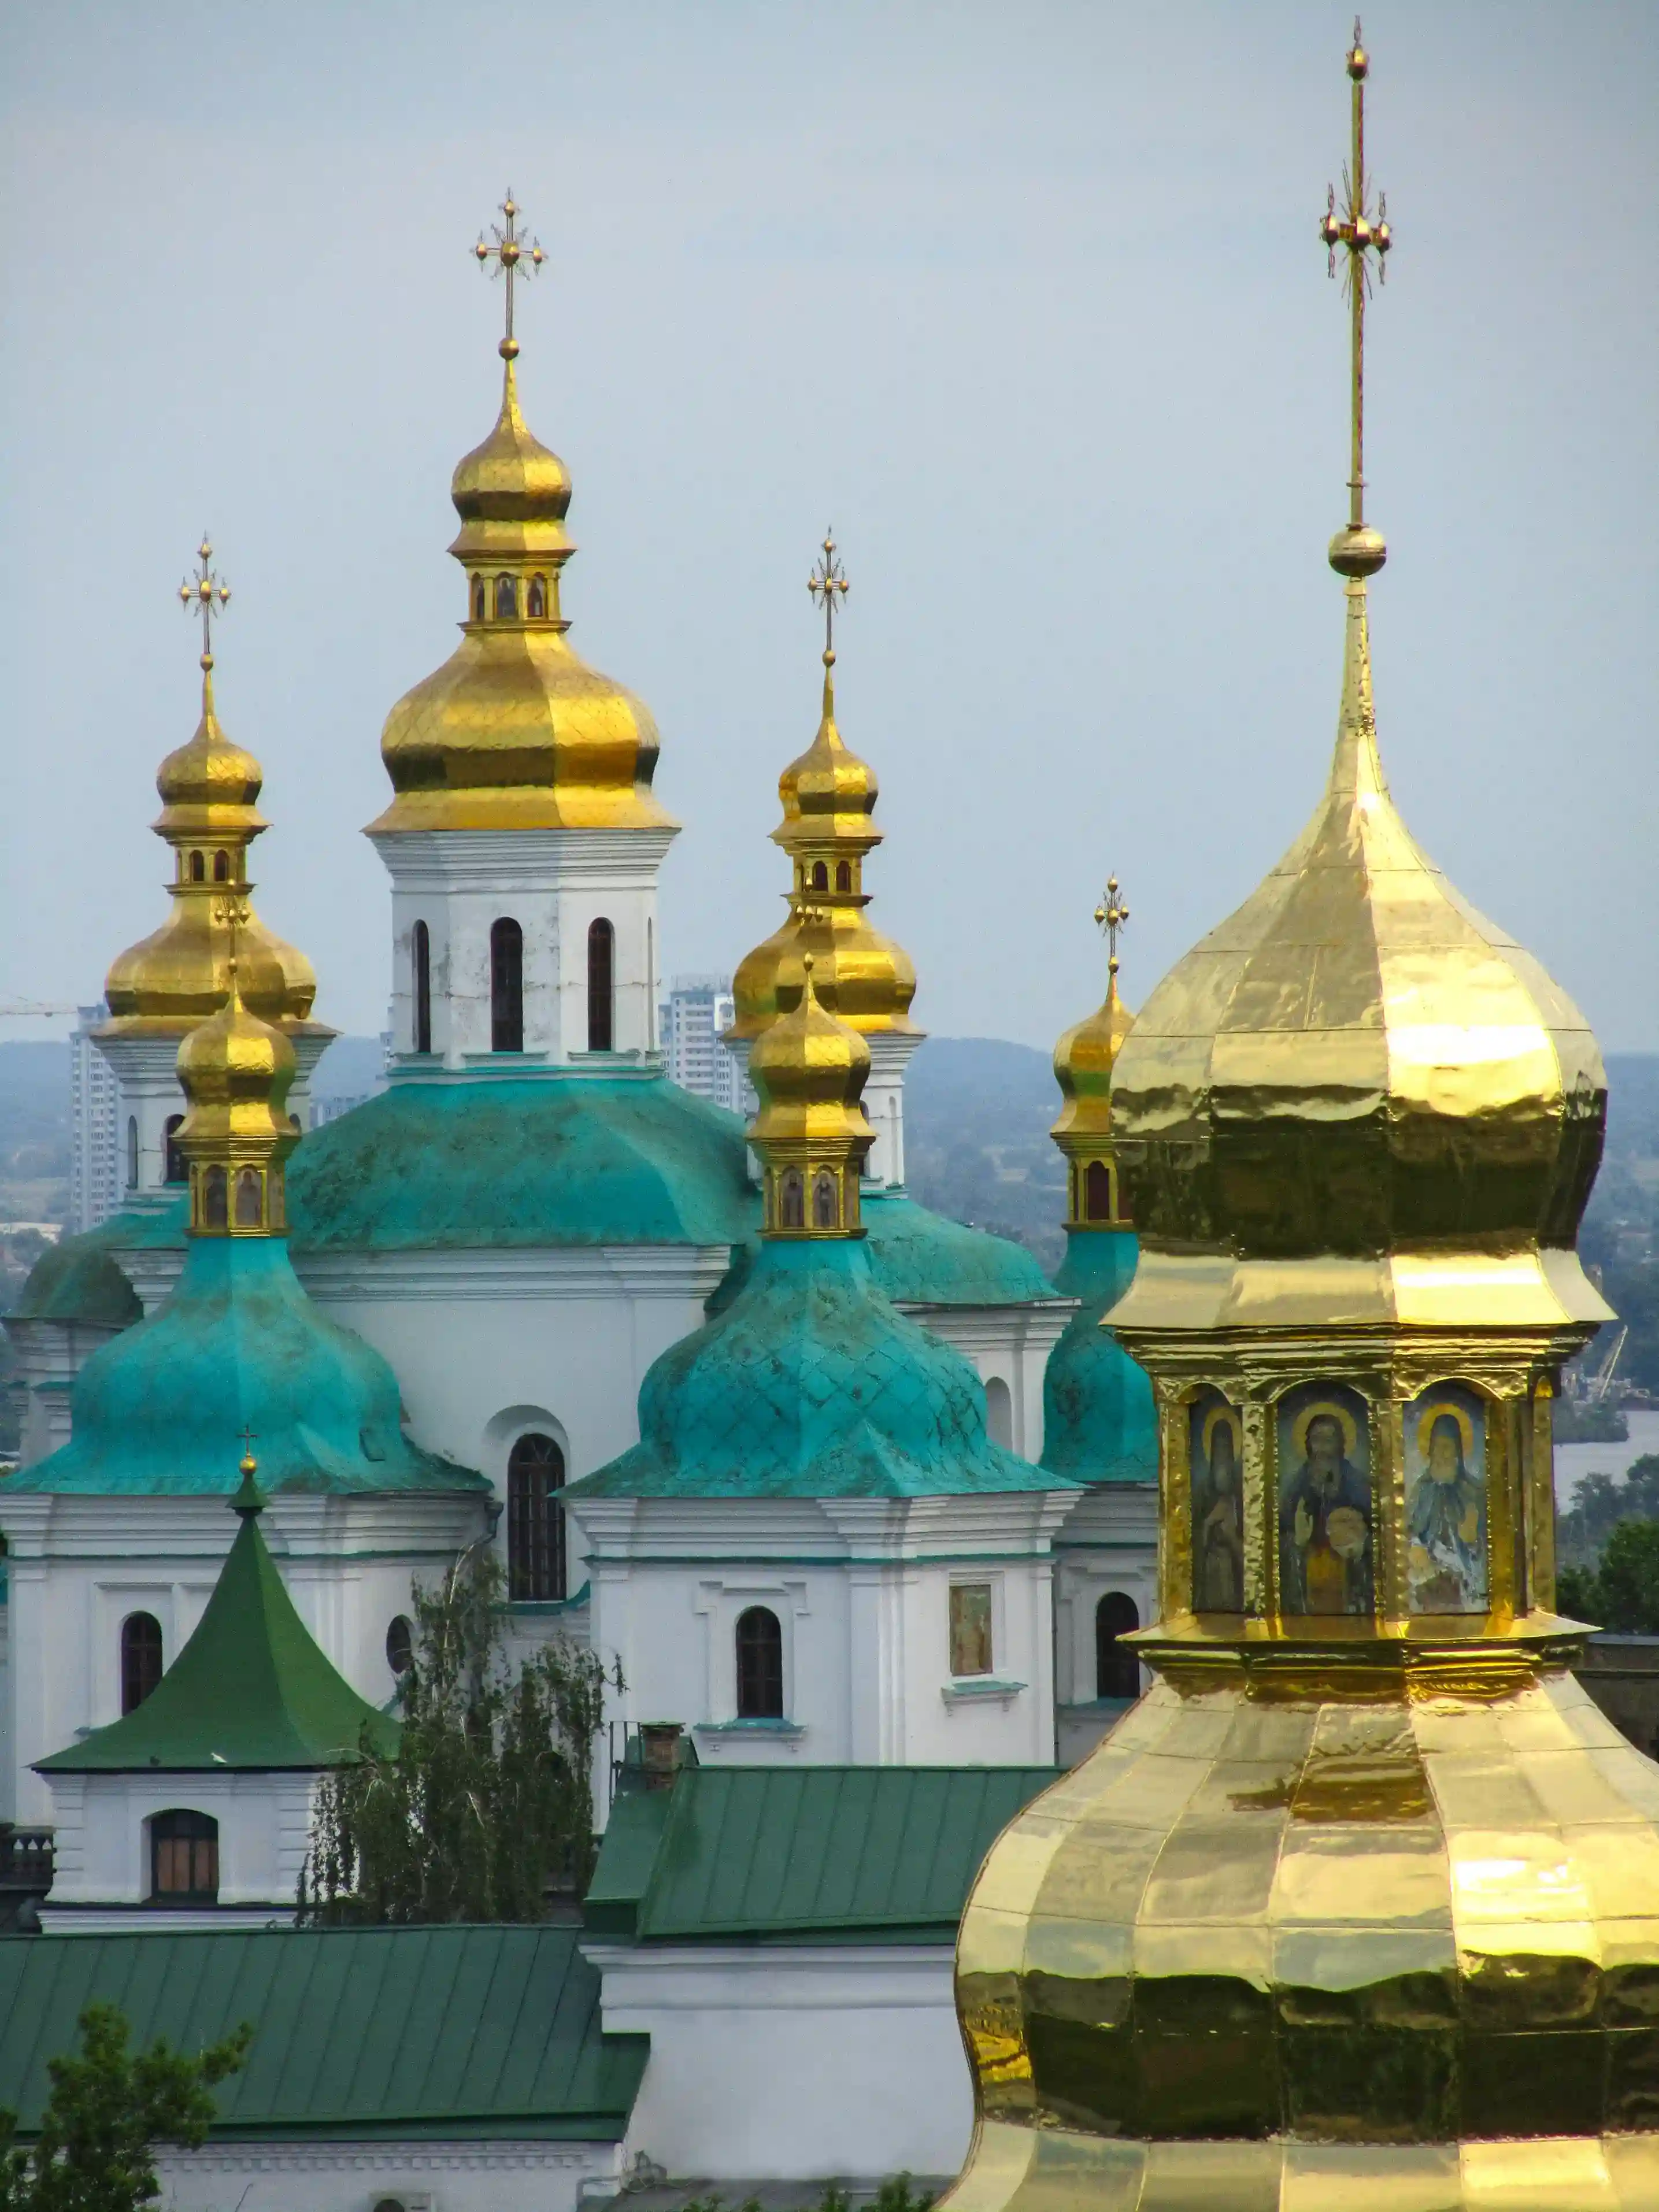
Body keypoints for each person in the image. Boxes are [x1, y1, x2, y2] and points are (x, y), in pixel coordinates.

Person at [1280, 1409, 1372, 1614]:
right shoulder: (1297, 1485)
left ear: (1340, 1445)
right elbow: (1279, 1536)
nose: (1322, 1448)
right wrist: (1297, 1542)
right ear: (1308, 1445)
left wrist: (1358, 1545)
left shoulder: (1357, 1483)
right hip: (1309, 1576)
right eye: (1317, 1439)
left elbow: (1380, 1537)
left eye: (1329, 1440)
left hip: (1348, 1577)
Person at [1408, 1411, 1485, 1611]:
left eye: (1447, 1448)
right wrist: (1415, 1546)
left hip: (1463, 1580)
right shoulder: (1422, 1489)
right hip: (1427, 1578)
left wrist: (1471, 1541)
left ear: (1458, 1452)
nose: (1441, 1455)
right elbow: (1408, 1530)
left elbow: (1490, 1548)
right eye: (1436, 1448)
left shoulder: (1474, 1492)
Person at [1194, 1417, 1245, 1611]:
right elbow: (1187, 1546)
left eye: (1227, 1448)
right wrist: (1208, 1524)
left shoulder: (1243, 1492)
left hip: (1238, 1581)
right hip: (1211, 1579)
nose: (1222, 1455)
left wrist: (1232, 1537)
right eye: (1218, 1448)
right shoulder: (1201, 1493)